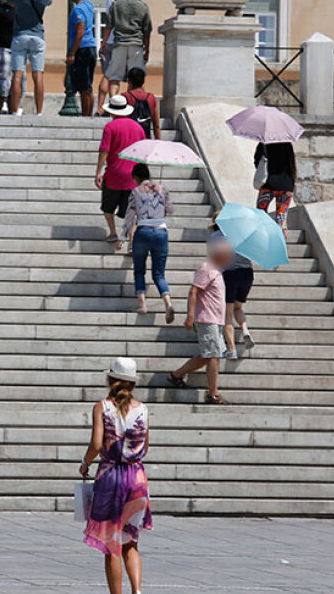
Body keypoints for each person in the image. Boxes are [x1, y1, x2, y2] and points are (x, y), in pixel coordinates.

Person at [81, 357, 152, 594]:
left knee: (111, 544)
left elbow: (96, 443)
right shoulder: (143, 409)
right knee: (131, 542)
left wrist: (85, 463)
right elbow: (146, 446)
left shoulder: (102, 407)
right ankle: (137, 590)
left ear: (110, 379)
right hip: (137, 477)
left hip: (111, 476)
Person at [167, 233, 234, 404]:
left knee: (209, 355)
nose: (230, 258)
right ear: (219, 255)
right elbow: (194, 291)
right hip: (208, 319)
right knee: (213, 356)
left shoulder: (218, 271)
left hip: (216, 320)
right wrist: (190, 316)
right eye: (228, 255)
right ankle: (213, 393)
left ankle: (176, 375)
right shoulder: (207, 268)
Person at [120, 164, 175, 323]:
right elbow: (170, 210)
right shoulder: (162, 189)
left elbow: (129, 216)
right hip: (160, 232)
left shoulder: (136, 192)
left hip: (143, 231)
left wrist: (123, 236)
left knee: (139, 271)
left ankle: (142, 305)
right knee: (159, 274)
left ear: (136, 178)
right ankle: (168, 303)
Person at [95, 95, 145, 243]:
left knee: (108, 207)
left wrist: (98, 172)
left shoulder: (110, 127)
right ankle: (131, 240)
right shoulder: (138, 127)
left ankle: (113, 232)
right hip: (133, 176)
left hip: (114, 174)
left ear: (111, 111)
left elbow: (104, 150)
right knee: (132, 210)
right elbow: (144, 150)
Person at [211, 219, 255, 360]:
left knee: (227, 314)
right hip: (247, 273)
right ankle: (245, 330)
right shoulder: (244, 234)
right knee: (238, 308)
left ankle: (231, 350)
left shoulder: (217, 235)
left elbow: (215, 258)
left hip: (230, 274)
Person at [6, 0, 52, 115]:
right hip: (37, 36)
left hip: (20, 36)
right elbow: (50, 1)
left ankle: (15, 111)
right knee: (38, 74)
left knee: (17, 74)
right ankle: (39, 112)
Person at [105, 0, 151, 99]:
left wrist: (104, 44)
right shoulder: (143, 6)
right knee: (136, 79)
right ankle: (135, 102)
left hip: (120, 43)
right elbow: (147, 31)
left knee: (114, 77)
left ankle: (114, 102)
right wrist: (147, 50)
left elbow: (108, 26)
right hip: (136, 44)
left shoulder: (116, 4)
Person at [254, 141, 297, 237]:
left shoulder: (264, 143)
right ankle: (281, 240)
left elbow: (257, 162)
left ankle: (262, 237)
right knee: (281, 217)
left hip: (268, 185)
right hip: (286, 186)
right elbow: (291, 162)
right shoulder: (287, 143)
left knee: (261, 212)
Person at [67, 0, 98, 117]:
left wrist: (72, 52)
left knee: (83, 88)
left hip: (82, 49)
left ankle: (86, 116)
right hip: (91, 47)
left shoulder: (78, 9)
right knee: (88, 87)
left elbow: (80, 29)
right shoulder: (89, 5)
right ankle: (88, 115)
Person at [96, 0, 126, 115]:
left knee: (107, 75)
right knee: (115, 77)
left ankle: (100, 108)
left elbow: (109, 22)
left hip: (109, 40)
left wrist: (103, 44)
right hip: (121, 41)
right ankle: (113, 106)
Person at [122, 67, 160, 140]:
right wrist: (157, 141)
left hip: (130, 139)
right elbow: (156, 125)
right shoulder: (151, 97)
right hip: (145, 139)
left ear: (129, 81)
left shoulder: (125, 96)